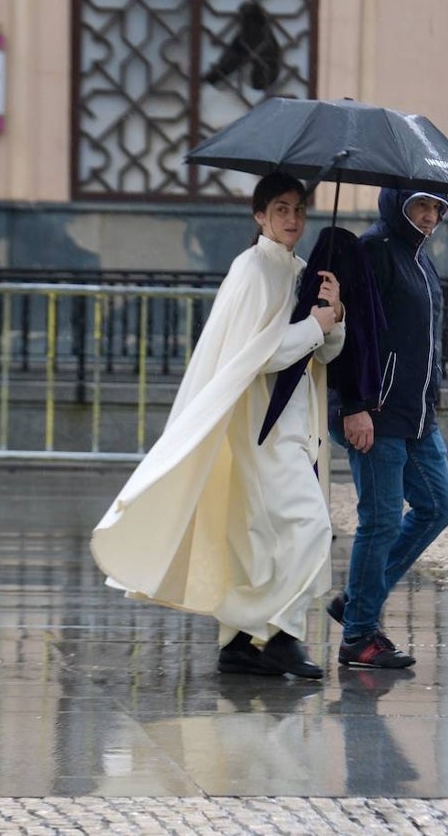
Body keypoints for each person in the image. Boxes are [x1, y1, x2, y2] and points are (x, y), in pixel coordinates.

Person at [90, 172, 345, 679]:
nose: (292, 219)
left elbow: (324, 351)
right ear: (259, 216)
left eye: (298, 209)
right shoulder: (251, 270)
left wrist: (333, 313)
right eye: (280, 209)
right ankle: (281, 633)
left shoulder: (303, 270)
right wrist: (315, 327)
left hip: (292, 424)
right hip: (257, 426)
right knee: (309, 528)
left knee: (261, 537)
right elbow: (260, 354)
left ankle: (241, 644)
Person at [327, 189, 448, 669]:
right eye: (421, 206)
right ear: (397, 204)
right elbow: (350, 335)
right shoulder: (375, 251)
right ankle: (358, 635)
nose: (430, 216)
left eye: (437, 209)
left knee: (437, 506)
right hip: (376, 414)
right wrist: (354, 405)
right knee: (381, 521)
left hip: (416, 415)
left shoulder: (419, 259)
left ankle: (357, 599)